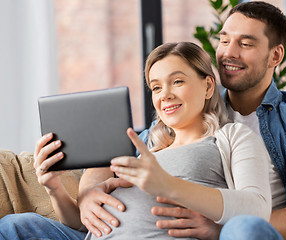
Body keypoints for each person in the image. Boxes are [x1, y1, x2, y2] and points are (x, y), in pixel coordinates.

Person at [75, 1, 286, 240]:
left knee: (245, 229)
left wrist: (221, 228)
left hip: (240, 231)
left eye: (245, 44)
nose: (228, 54)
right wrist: (86, 196)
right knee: (32, 225)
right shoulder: (193, 108)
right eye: (224, 41)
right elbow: (122, 152)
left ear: (275, 56)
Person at [0, 42, 272, 239]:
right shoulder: (148, 149)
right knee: (16, 225)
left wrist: (168, 186)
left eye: (177, 82)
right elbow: (81, 226)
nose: (164, 94)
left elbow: (256, 209)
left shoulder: (232, 137)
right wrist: (54, 188)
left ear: (208, 86)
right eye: (156, 87)